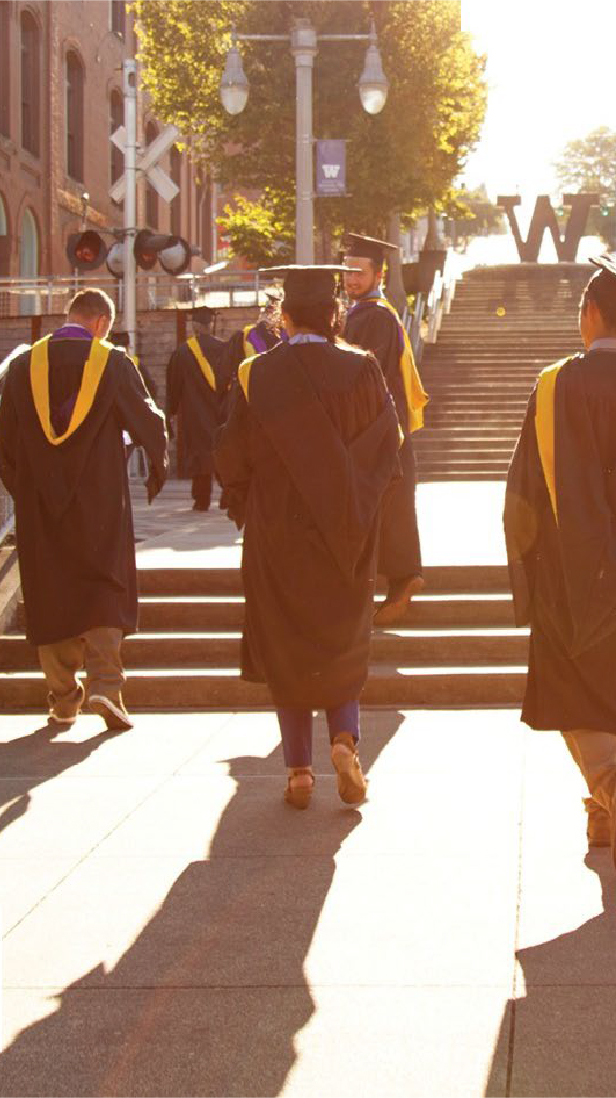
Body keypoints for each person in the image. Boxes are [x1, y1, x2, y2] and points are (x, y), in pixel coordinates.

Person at [504, 254, 616, 878]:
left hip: (567, 573)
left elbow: (526, 486)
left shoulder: (555, 383)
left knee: (572, 691)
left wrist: (526, 562)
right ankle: (603, 810)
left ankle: (611, 784)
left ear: (590, 313)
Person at [215, 265, 402, 810]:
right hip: (345, 530)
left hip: (279, 534)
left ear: (285, 317)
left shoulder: (256, 374)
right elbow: (387, 446)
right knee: (341, 636)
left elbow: (232, 456)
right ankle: (344, 741)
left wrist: (247, 494)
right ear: (335, 314)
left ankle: (299, 771)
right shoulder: (363, 368)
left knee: (287, 644)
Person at [0, 288, 168, 731]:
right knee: (103, 585)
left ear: (70, 316)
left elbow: (5, 441)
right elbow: (148, 421)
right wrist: (156, 465)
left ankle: (65, 696)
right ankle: (107, 687)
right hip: (100, 500)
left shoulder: (21, 366)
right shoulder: (111, 362)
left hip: (40, 502)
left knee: (50, 589)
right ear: (101, 324)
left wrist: (27, 491)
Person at [341, 233, 429, 626]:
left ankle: (404, 579)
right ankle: (401, 579)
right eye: (347, 272)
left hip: (379, 430)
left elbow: (364, 376)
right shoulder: (368, 312)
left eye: (359, 272)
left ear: (379, 272)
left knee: (386, 507)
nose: (351, 279)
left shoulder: (373, 315)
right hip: (383, 429)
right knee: (389, 507)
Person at [164, 305, 232, 511]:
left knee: (199, 455)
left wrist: (171, 411)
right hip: (221, 412)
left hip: (194, 414)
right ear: (211, 325)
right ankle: (228, 495)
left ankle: (201, 499)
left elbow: (173, 385)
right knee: (222, 453)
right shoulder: (225, 349)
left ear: (193, 326)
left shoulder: (183, 352)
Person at [224, 289, 283, 372]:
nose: (269, 314)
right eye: (267, 310)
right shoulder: (244, 337)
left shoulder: (287, 336)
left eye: (272, 310)